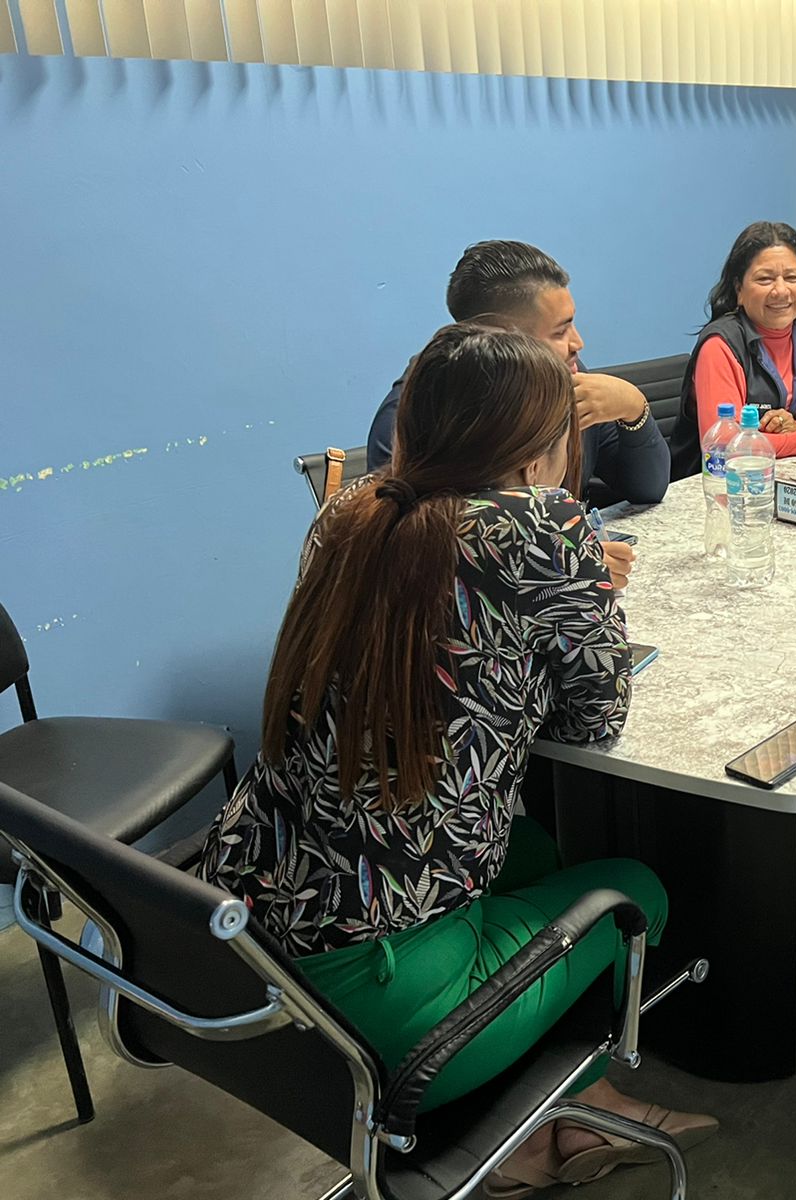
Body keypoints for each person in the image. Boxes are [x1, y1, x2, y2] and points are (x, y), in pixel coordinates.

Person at [204, 325, 715, 1193]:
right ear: (537, 449)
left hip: (246, 936)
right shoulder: (547, 528)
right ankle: (537, 1127)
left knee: (542, 853)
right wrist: (573, 591)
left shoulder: (348, 513)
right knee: (637, 890)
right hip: (385, 1003)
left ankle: (559, 1114)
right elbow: (595, 716)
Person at [367, 240, 668, 572]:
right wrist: (563, 566)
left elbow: (647, 490)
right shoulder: (414, 415)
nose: (578, 343)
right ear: (501, 340)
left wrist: (634, 408)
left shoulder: (571, 381)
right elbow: (418, 556)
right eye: (560, 331)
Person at [669, 221, 796, 476]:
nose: (781, 290)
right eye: (765, 279)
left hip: (787, 476)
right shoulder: (720, 346)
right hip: (716, 486)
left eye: (791, 278)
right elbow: (724, 446)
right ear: (739, 289)